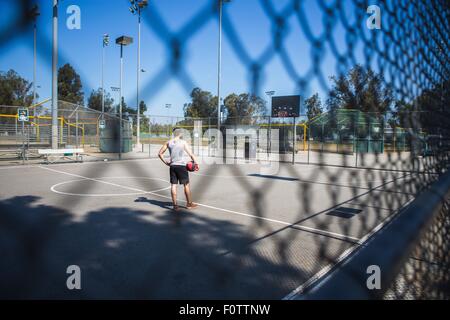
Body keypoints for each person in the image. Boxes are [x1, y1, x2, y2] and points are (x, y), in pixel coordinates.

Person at [158, 128, 198, 211]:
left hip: (173, 166)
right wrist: (196, 163)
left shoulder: (168, 142)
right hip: (182, 166)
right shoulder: (183, 142)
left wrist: (166, 162)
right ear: (180, 134)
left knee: (173, 185)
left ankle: (175, 205)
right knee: (186, 185)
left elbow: (160, 154)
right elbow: (191, 154)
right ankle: (189, 204)